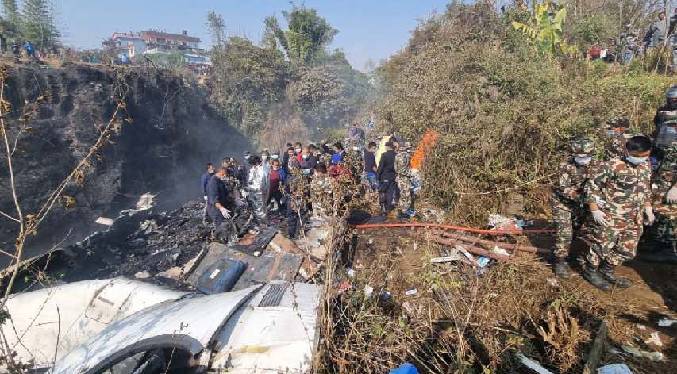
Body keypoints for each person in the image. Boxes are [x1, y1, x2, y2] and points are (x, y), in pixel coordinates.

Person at [583, 135, 654, 291]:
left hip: (635, 216)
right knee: (602, 245)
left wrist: (648, 208)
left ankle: (607, 269)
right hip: (612, 215)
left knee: (627, 249)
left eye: (644, 156)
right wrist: (594, 210)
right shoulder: (612, 165)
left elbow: (645, 188)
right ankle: (590, 271)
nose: (640, 159)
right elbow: (591, 187)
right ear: (627, 151)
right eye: (636, 156)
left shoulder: (645, 166)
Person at [551, 138, 595, 278]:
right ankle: (560, 261)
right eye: (579, 156)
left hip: (584, 204)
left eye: (586, 156)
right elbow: (562, 188)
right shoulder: (565, 166)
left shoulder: (598, 165)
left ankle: (582, 256)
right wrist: (583, 198)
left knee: (585, 230)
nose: (583, 159)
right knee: (565, 231)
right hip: (563, 203)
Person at [647, 90, 677, 263]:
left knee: (670, 207)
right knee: (658, 201)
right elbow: (657, 132)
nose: (672, 103)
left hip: (674, 171)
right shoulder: (662, 111)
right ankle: (657, 241)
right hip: (662, 160)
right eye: (670, 100)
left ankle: (668, 247)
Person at [206, 166, 233, 241]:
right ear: (220, 172)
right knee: (220, 226)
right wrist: (221, 208)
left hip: (222, 206)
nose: (225, 176)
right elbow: (214, 199)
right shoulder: (213, 183)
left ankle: (227, 239)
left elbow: (225, 192)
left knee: (226, 224)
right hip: (215, 209)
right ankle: (220, 241)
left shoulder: (219, 180)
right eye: (224, 175)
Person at [377, 141, 398, 217]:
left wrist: (378, 176)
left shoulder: (384, 155)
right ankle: (388, 208)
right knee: (390, 193)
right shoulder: (396, 155)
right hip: (392, 177)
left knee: (382, 192)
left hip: (384, 176)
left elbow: (380, 167)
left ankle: (383, 209)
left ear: (387, 147)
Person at [395, 141, 415, 218]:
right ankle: (404, 213)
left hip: (400, 178)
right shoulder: (406, 156)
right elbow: (403, 170)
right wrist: (411, 173)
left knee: (403, 195)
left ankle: (401, 212)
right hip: (405, 178)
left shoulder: (397, 156)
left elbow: (396, 169)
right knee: (406, 196)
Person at [247, 155, 268, 223]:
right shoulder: (253, 169)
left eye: (253, 164)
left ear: (256, 162)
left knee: (260, 208)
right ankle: (262, 221)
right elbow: (250, 180)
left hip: (259, 191)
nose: (252, 166)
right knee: (258, 207)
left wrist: (253, 189)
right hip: (254, 191)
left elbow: (261, 182)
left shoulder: (262, 169)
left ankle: (262, 222)